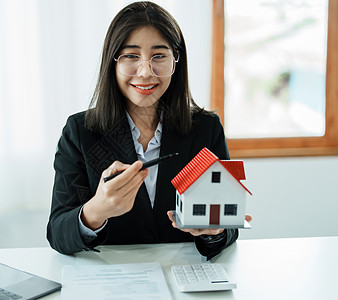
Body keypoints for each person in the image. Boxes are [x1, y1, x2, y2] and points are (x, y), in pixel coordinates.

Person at [47, 1, 250, 260]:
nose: (145, 72)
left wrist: (214, 231)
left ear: (176, 60)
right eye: (131, 56)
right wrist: (95, 211)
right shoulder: (79, 131)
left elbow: (227, 226)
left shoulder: (206, 128)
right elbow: (57, 233)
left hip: (184, 279)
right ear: (113, 61)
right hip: (112, 280)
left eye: (159, 56)